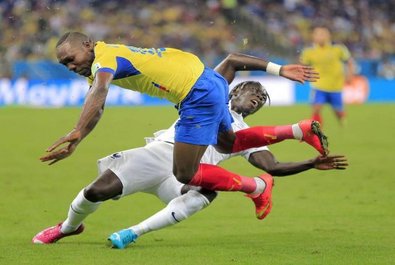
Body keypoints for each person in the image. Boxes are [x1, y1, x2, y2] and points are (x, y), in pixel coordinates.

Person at [33, 54, 346, 246]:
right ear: (235, 89)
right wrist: (276, 70)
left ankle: (133, 233)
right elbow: (234, 59)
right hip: (160, 155)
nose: (255, 100)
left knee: (205, 194)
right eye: (252, 93)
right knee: (96, 192)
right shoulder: (213, 92)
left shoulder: (250, 135)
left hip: (187, 178)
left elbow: (273, 167)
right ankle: (67, 227)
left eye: (260, 101)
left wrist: (310, 163)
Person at [300, 25, 354, 127]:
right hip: (318, 85)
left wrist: (350, 75)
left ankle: (342, 120)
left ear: (329, 35)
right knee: (316, 108)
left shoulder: (339, 49)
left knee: (338, 112)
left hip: (335, 86)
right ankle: (316, 130)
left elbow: (349, 62)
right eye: (318, 34)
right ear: (313, 36)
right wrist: (304, 75)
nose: (320, 36)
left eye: (323, 34)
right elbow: (302, 67)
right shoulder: (308, 52)